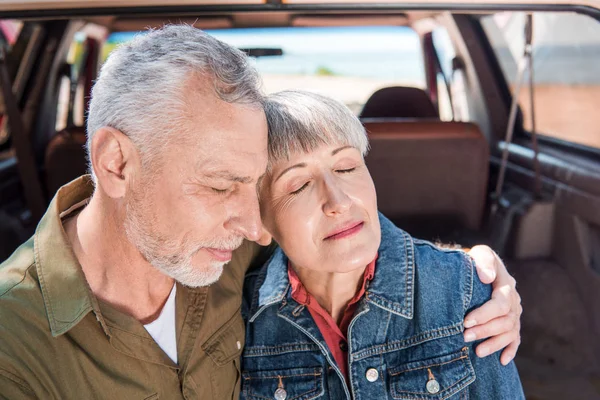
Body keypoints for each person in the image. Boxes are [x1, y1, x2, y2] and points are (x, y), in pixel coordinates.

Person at [0, 26, 520, 399]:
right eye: (222, 184)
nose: (255, 227)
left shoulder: (232, 248)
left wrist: (472, 272)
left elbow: (345, 248)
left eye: (253, 187)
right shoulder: (13, 346)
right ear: (116, 164)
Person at [241, 90, 524, 399]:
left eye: (346, 167)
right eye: (299, 185)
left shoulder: (463, 287)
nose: (338, 202)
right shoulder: (240, 319)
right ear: (259, 223)